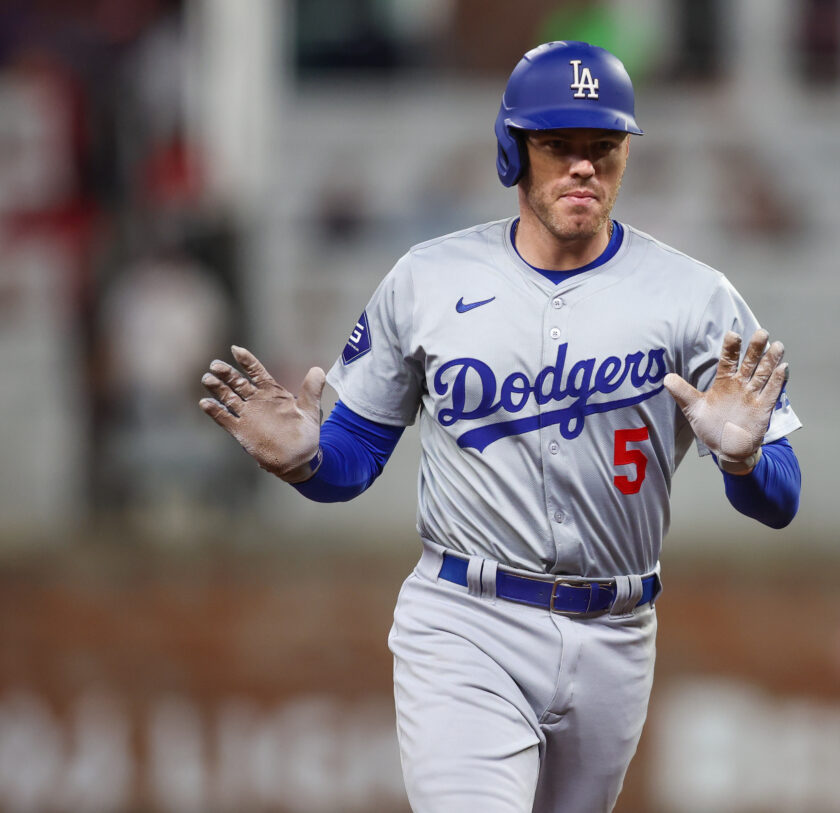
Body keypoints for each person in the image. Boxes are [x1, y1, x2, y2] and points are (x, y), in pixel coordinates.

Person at [199, 40, 801, 813]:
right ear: (512, 152)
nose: (583, 167)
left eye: (603, 148)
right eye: (558, 146)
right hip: (466, 620)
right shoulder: (428, 278)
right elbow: (353, 462)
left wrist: (746, 463)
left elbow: (779, 501)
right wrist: (308, 460)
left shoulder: (695, 296)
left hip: (617, 632)